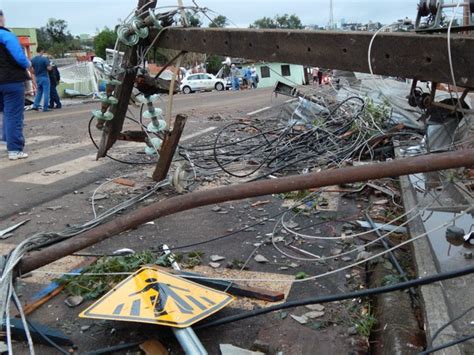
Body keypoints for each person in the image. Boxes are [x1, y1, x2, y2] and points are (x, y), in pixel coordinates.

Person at [0, 9, 31, 160]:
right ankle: (15, 149)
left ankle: (6, 139)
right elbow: (20, 58)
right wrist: (28, 62)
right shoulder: (6, 35)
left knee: (6, 112)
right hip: (11, 81)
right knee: (13, 114)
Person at [31, 47, 52, 112]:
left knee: (39, 92)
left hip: (37, 78)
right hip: (44, 77)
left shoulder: (33, 59)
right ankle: (45, 107)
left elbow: (30, 68)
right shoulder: (44, 59)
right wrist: (51, 66)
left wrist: (34, 72)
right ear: (41, 51)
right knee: (46, 93)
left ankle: (35, 106)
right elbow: (49, 68)